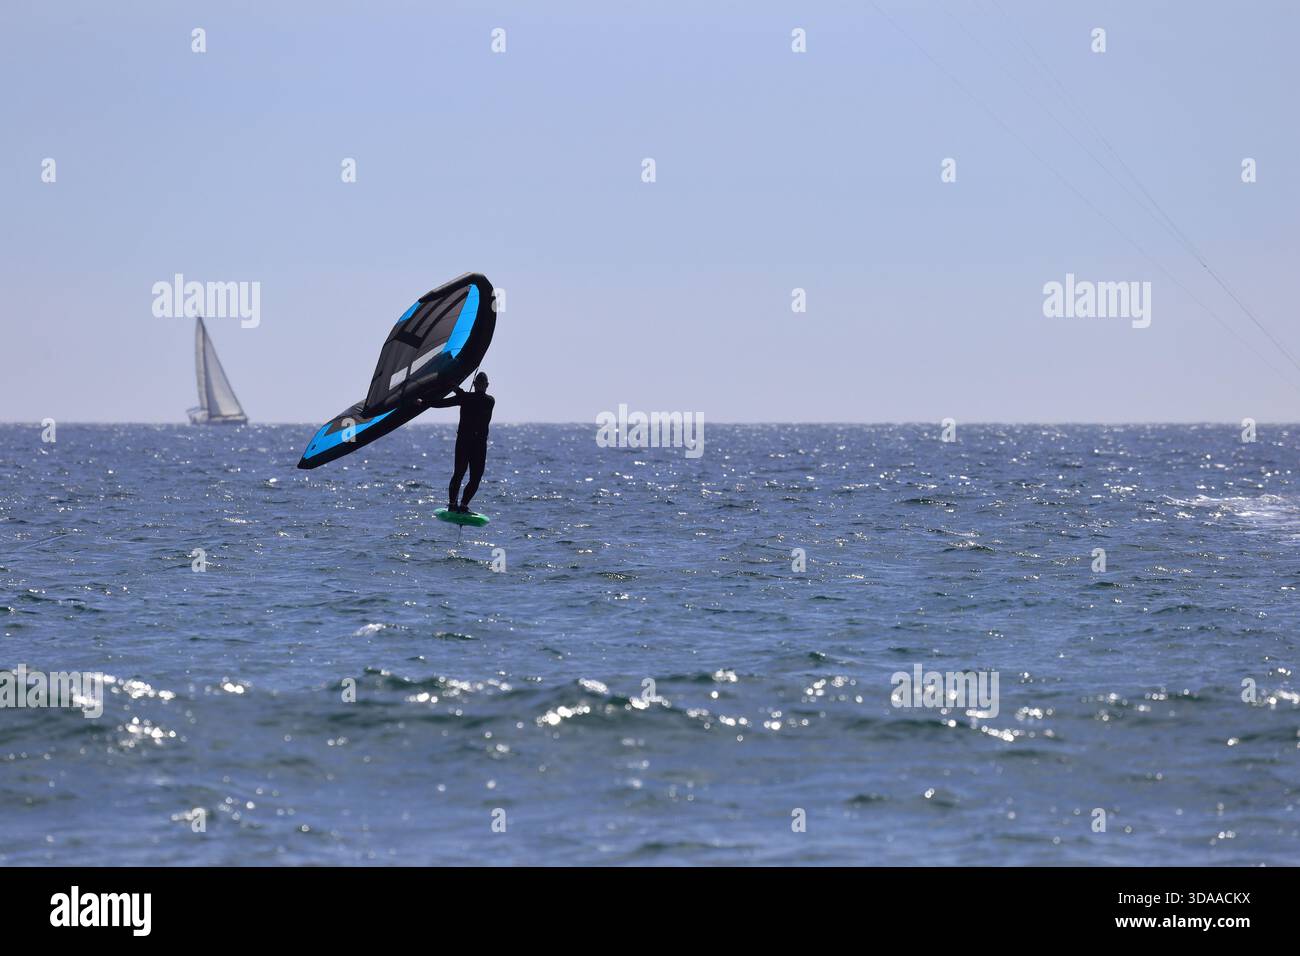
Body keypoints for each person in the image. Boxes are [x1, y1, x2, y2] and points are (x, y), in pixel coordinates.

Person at [427, 371, 494, 513]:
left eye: (483, 384)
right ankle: (452, 504)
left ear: (487, 385)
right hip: (464, 441)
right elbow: (441, 404)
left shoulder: (489, 401)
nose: (481, 386)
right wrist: (423, 402)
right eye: (478, 383)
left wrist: (457, 390)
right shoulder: (465, 398)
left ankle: (463, 505)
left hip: (479, 445)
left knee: (476, 478)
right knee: (459, 473)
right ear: (474, 384)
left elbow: (476, 399)